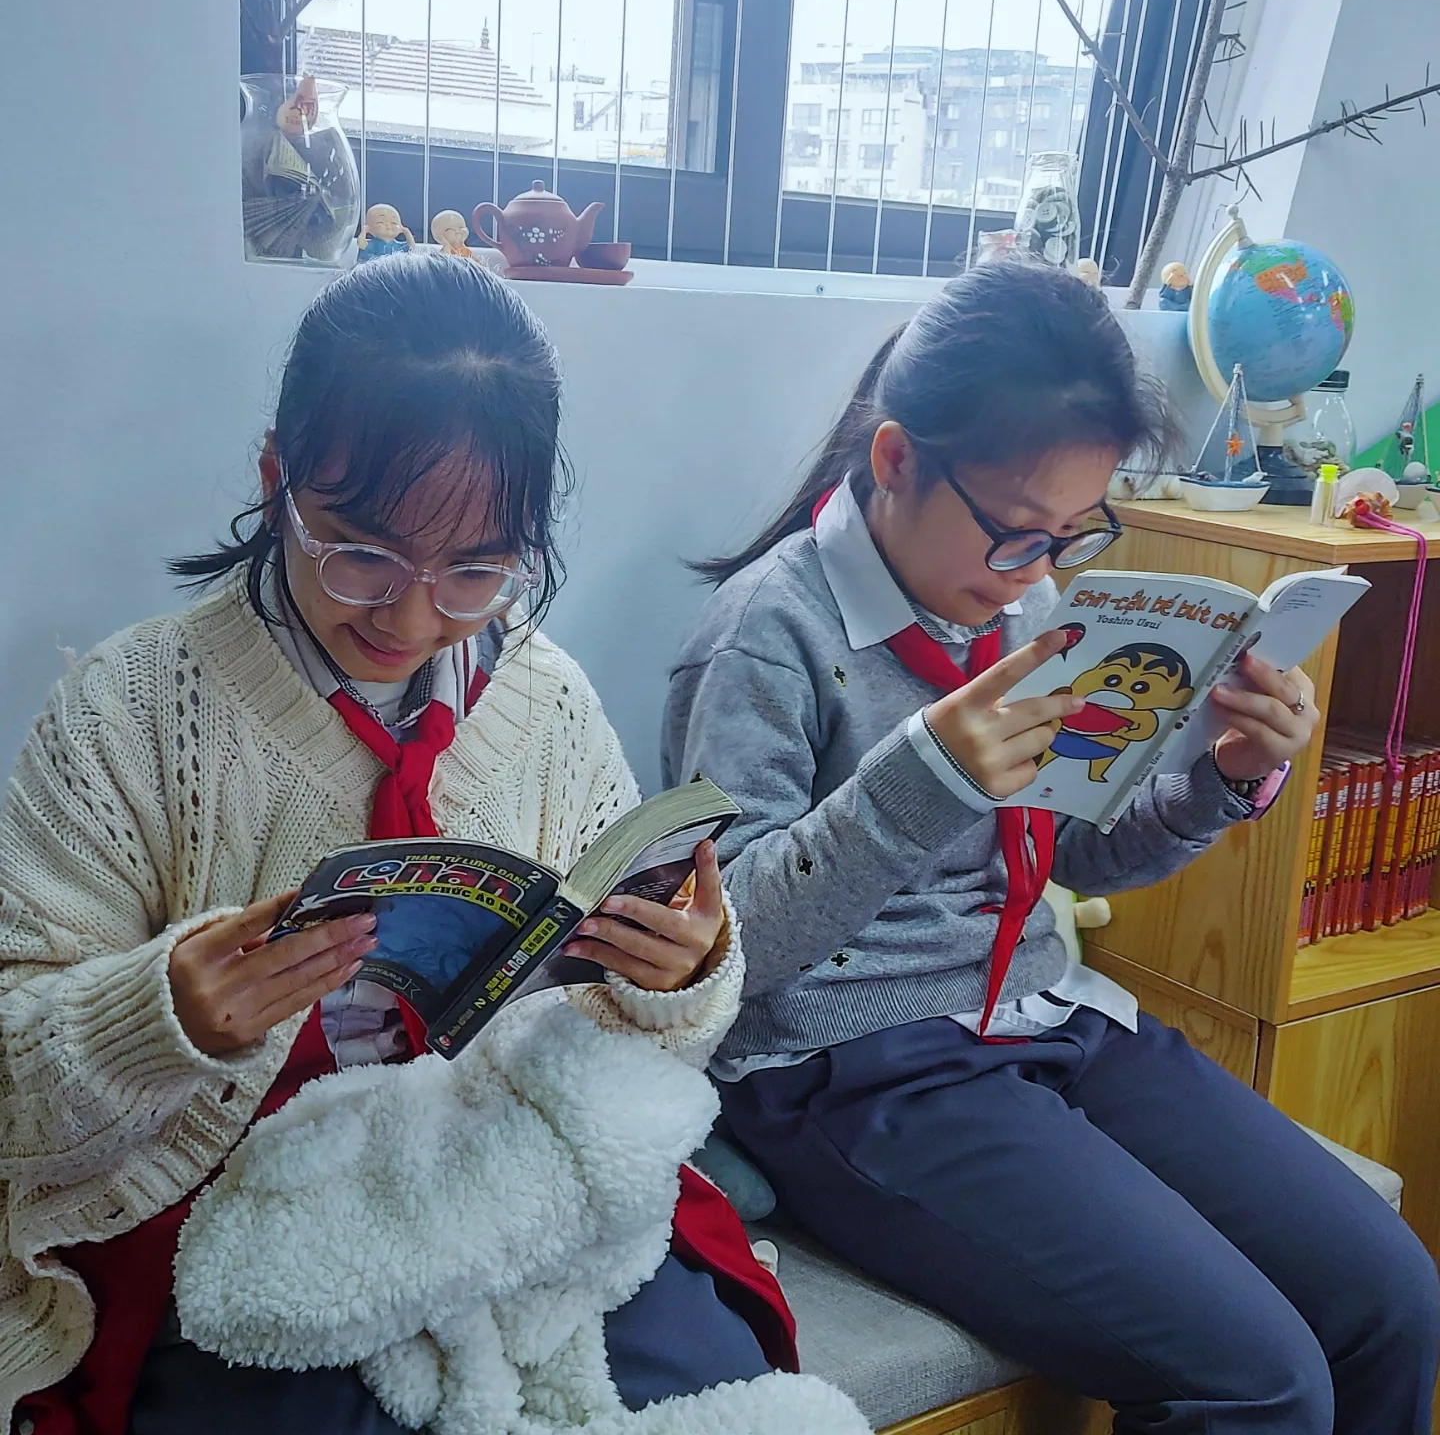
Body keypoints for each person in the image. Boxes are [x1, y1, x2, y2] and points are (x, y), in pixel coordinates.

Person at [0, 255, 812, 1435]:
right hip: (231, 1199)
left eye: (476, 570)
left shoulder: (544, 702)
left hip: (503, 1167)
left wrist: (680, 977)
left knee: (717, 1377)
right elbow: (12, 1086)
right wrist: (161, 1017)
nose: (414, 614)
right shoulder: (129, 712)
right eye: (362, 553)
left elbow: (629, 1040)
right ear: (277, 482)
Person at [664, 261, 1440, 1435]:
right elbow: (727, 946)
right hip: (852, 1060)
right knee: (1261, 1378)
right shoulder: (768, 638)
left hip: (1046, 1013)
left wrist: (1224, 780)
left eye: (1074, 536)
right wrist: (928, 779)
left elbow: (1068, 854)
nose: (1036, 575)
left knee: (1393, 1297)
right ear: (895, 461)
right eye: (1017, 535)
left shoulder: (1019, 606)